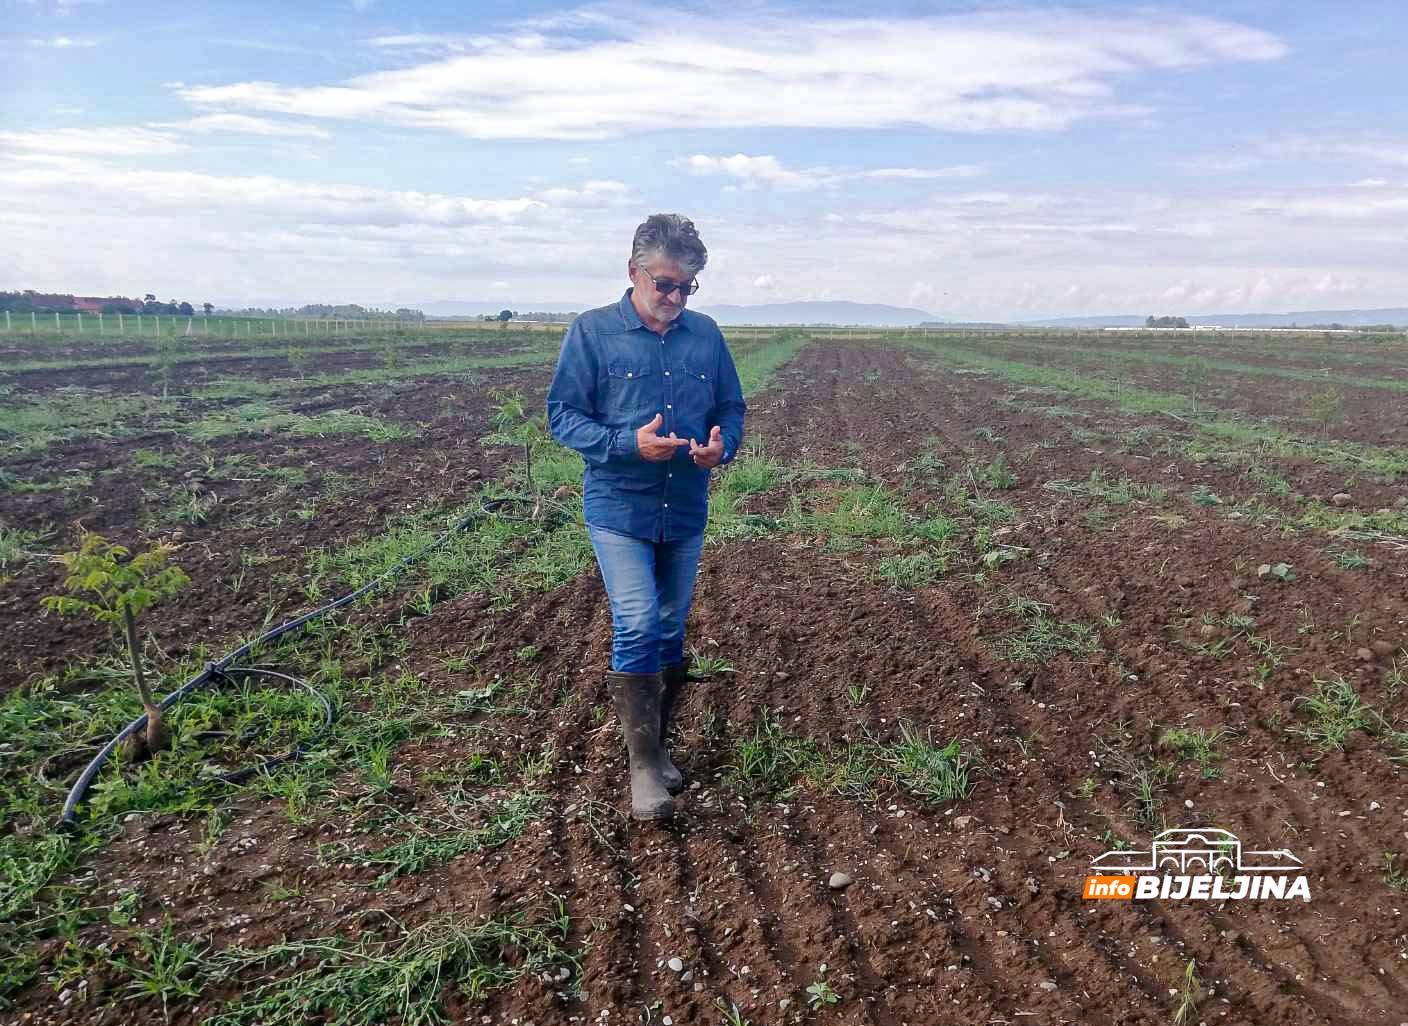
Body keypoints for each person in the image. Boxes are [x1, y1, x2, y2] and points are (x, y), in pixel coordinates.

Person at [546, 214, 746, 820]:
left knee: (669, 623)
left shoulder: (705, 336)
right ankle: (642, 772)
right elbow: (563, 417)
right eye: (665, 284)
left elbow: (731, 406)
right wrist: (630, 444)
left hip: (684, 504)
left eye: (687, 287)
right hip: (619, 506)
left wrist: (721, 448)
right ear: (633, 273)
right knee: (636, 621)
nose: (676, 298)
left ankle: (658, 752)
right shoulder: (592, 333)